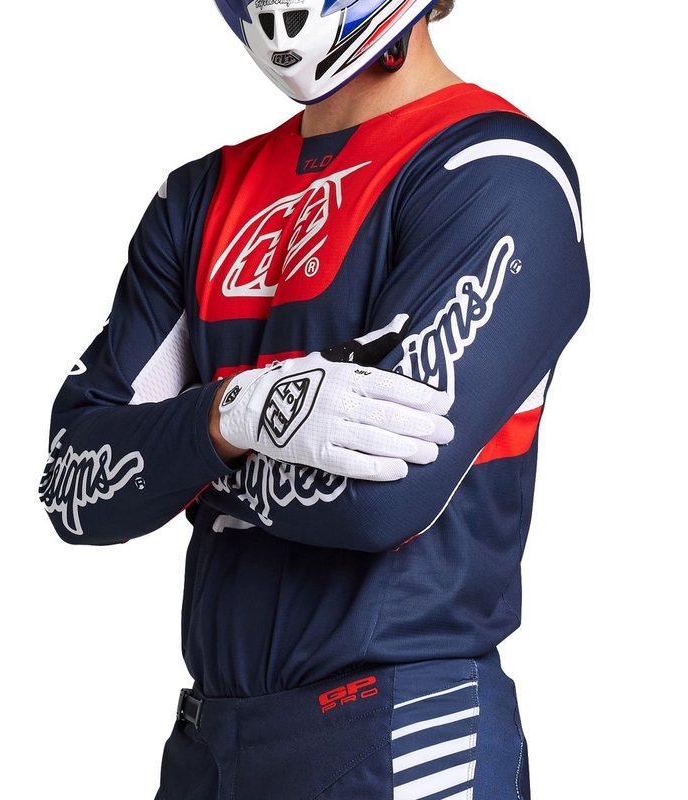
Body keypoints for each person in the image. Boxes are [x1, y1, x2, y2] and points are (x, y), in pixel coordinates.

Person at [39, 0, 589, 796]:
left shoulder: (498, 172)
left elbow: (377, 498)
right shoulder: (197, 197)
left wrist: (184, 460)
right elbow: (74, 486)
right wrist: (235, 414)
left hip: (400, 730)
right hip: (209, 742)